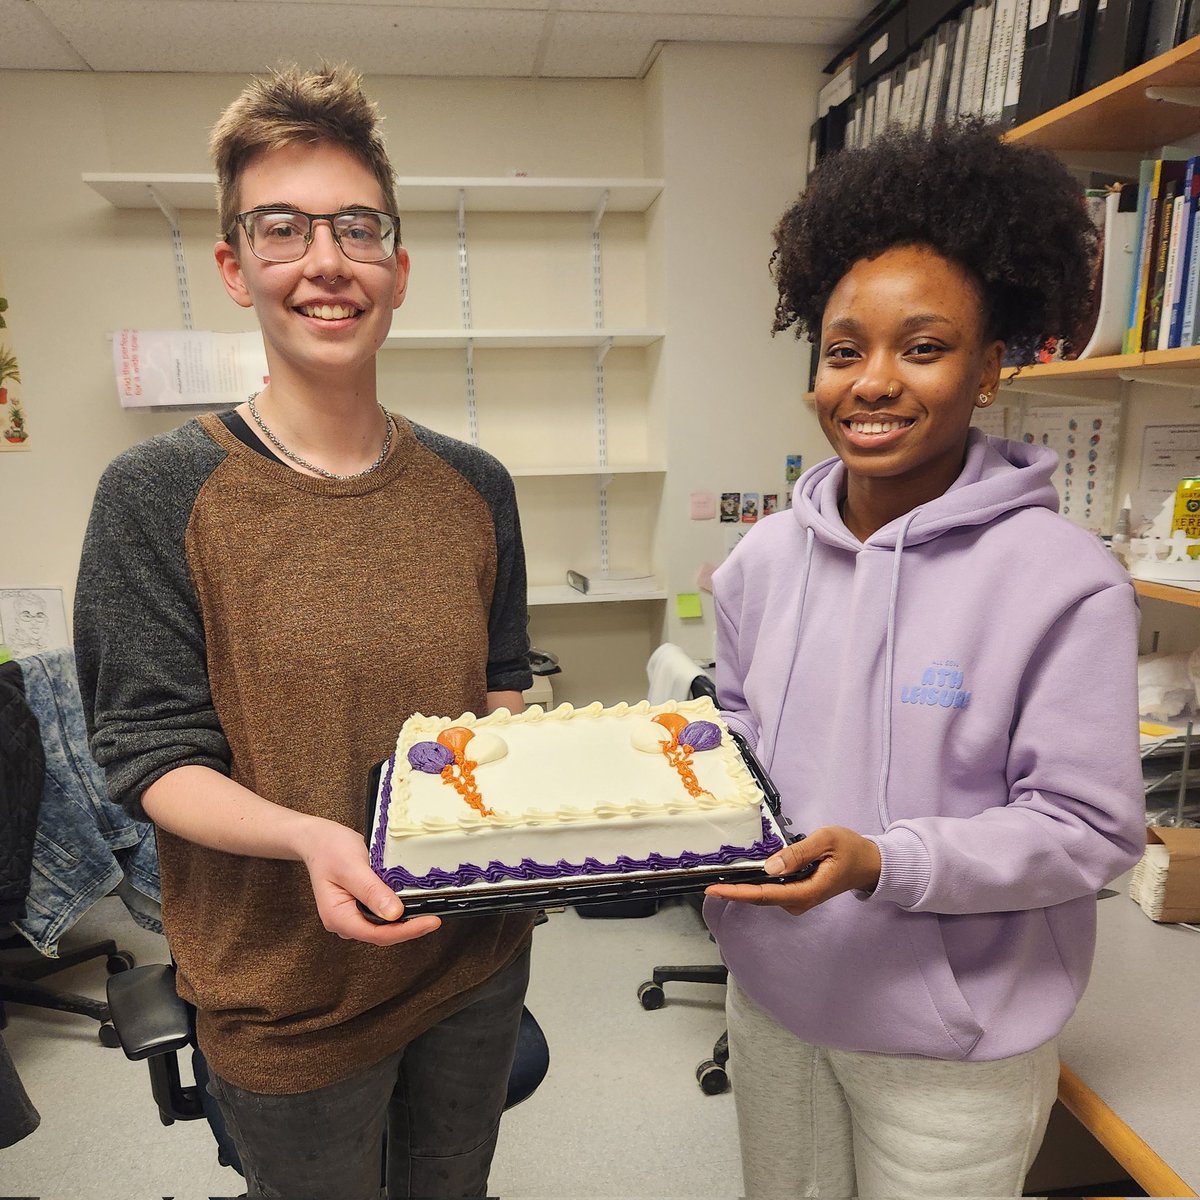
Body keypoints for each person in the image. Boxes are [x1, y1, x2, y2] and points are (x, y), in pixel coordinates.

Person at [74, 65, 535, 1200]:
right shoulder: (155, 495)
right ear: (235, 267)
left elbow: (502, 687)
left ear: (398, 268)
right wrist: (314, 840)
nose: (324, 261)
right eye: (282, 228)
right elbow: (149, 755)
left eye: (356, 228)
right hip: (287, 993)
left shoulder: (474, 485)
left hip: (472, 958)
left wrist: (534, 776)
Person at [704, 120, 1145, 1199]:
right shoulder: (761, 559)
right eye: (845, 349)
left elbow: (1089, 833)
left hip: (951, 1049)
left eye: (926, 345)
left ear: (992, 367)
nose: (875, 383)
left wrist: (886, 862)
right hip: (772, 1004)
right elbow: (734, 736)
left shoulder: (1063, 578)